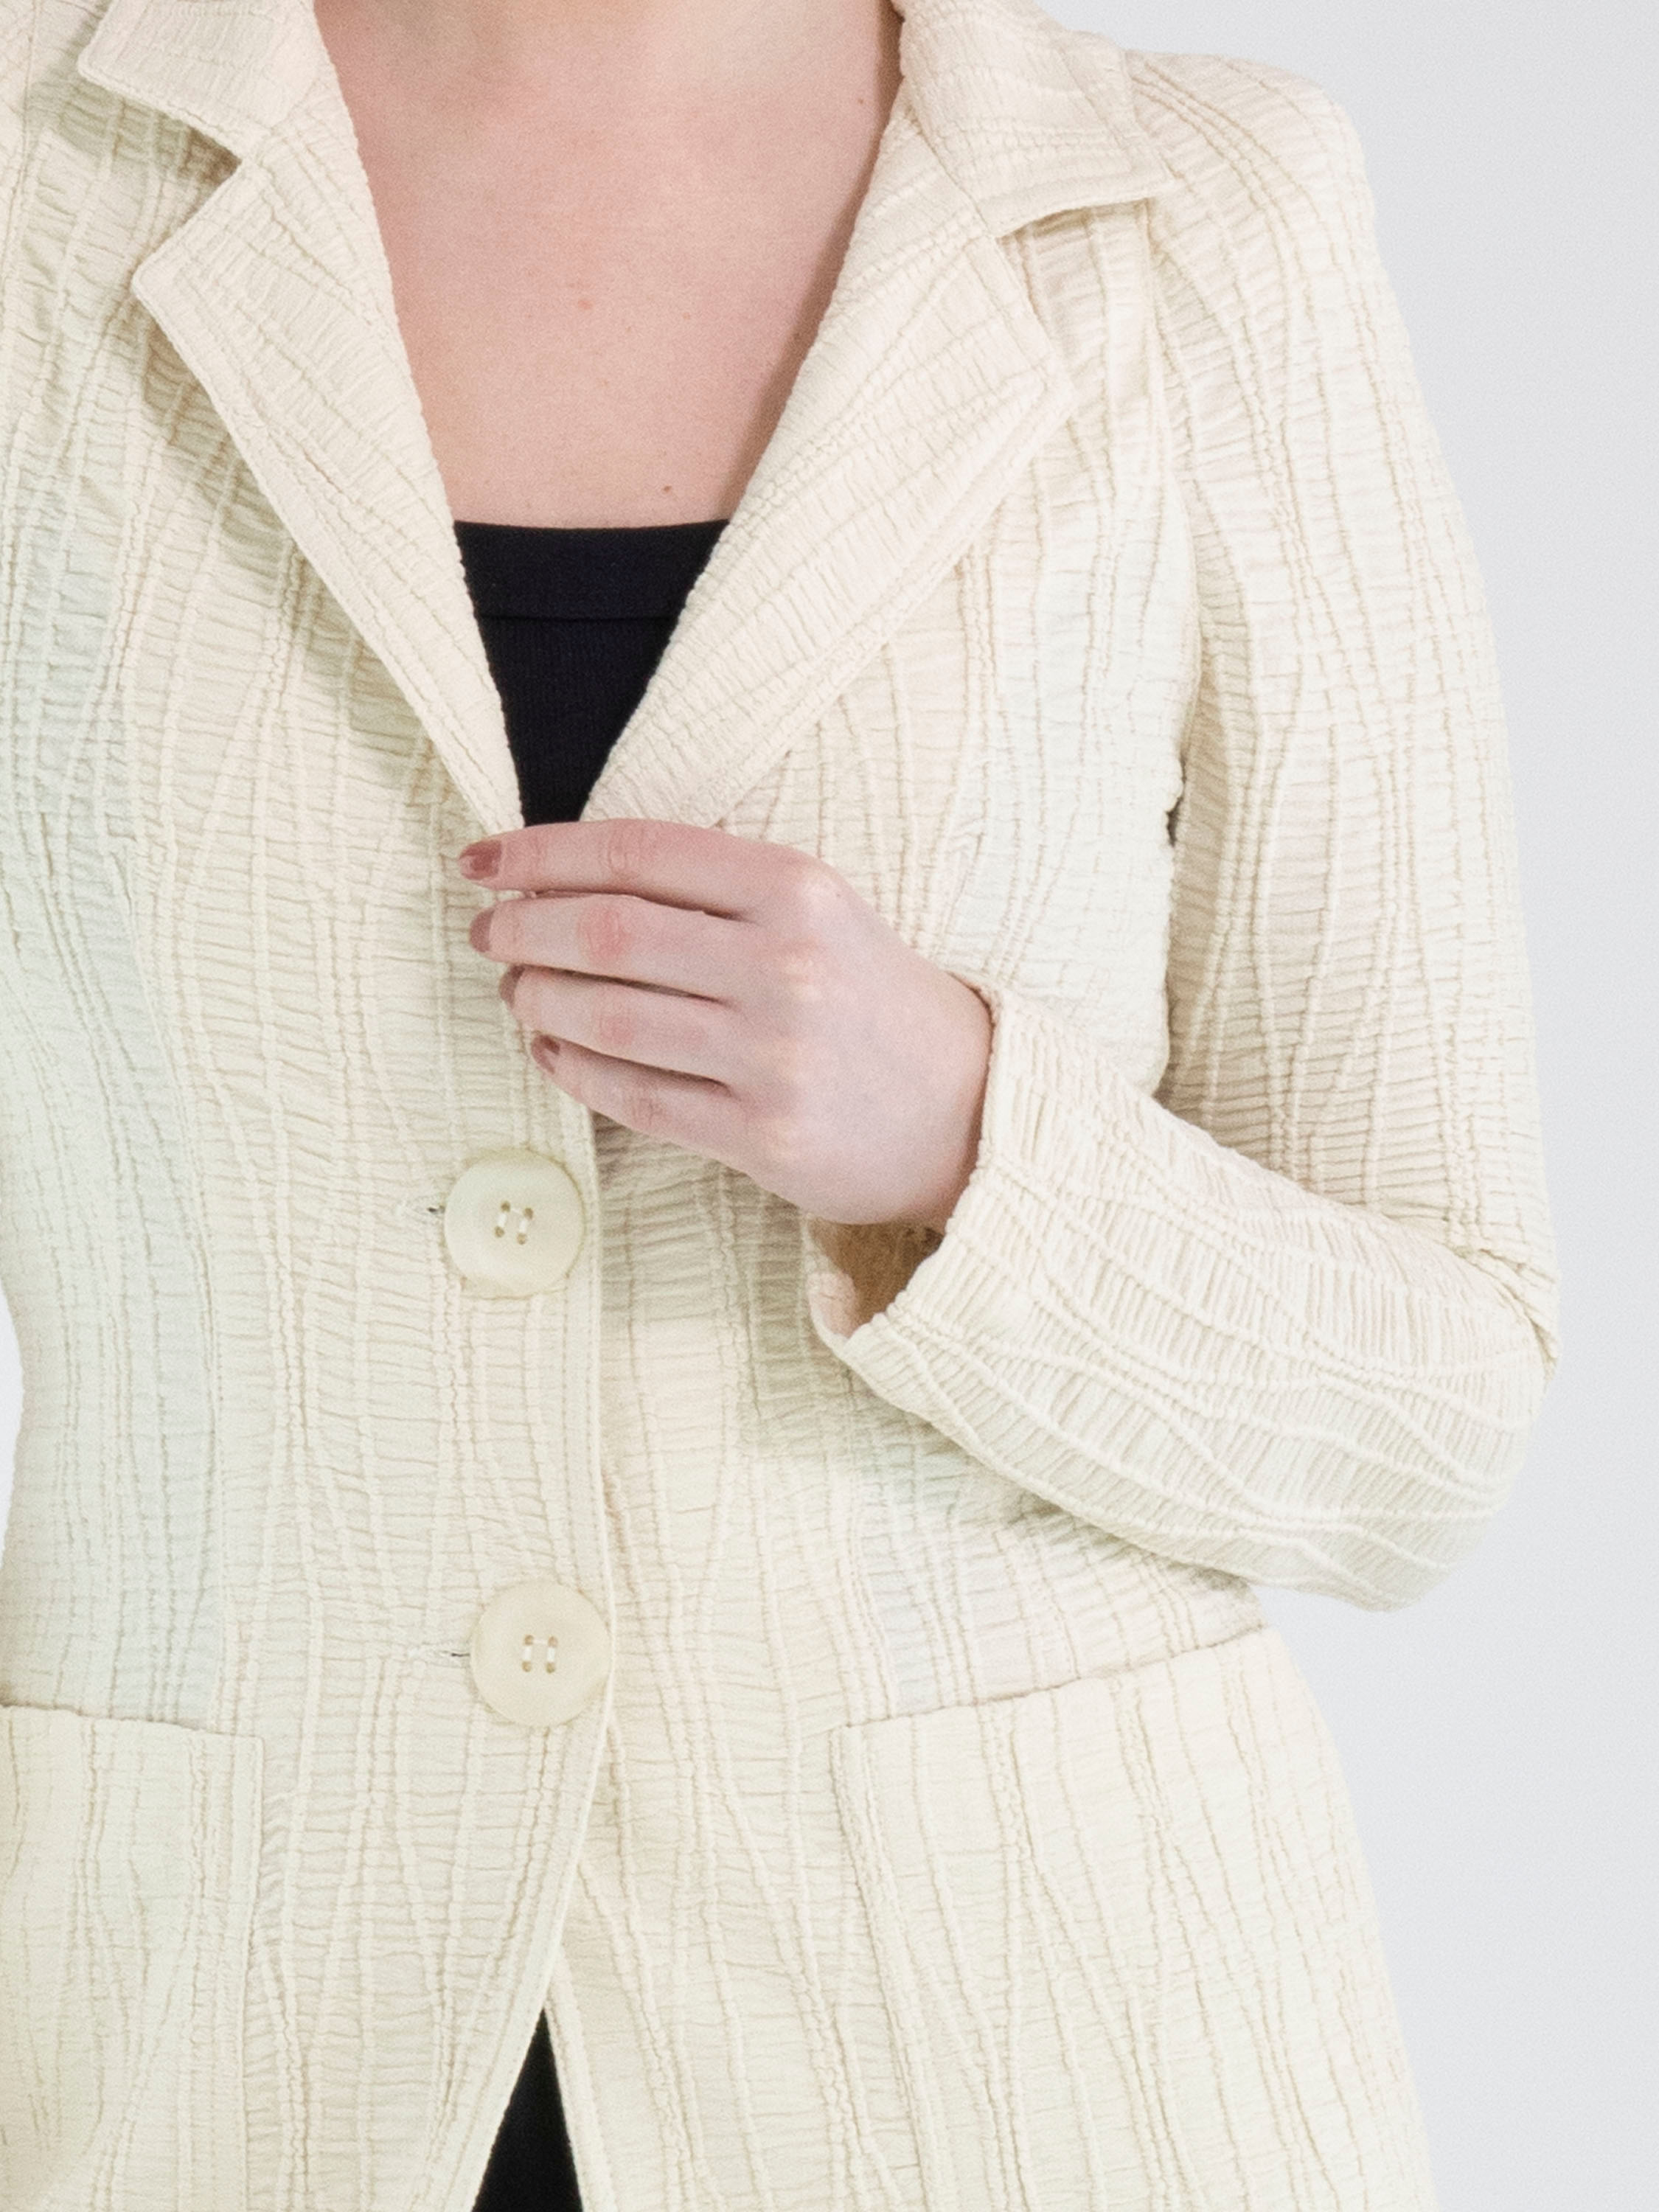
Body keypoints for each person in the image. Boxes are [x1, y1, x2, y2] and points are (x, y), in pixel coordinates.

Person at [0, 0, 1560, 2203]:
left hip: (1024, 2065)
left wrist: (966, 1148)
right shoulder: (38, 180)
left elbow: (1431, 1428)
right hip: (180, 2041)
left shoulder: (1194, 221)